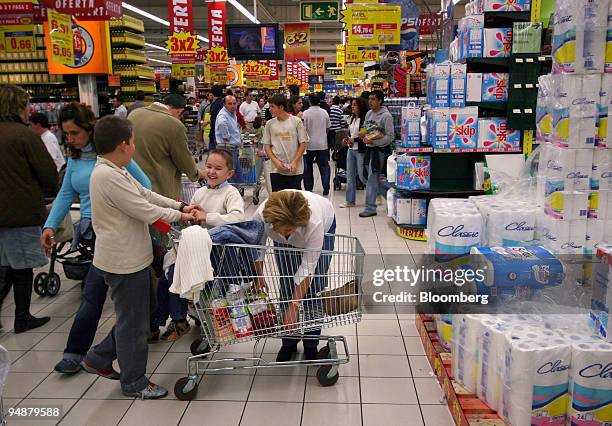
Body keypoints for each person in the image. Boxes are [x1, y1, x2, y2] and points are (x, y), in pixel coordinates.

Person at [82, 115, 200, 399]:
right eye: (133, 142)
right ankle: (134, 381)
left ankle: (98, 357)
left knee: (140, 315)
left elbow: (146, 194)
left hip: (132, 257)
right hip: (123, 262)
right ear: (123, 145)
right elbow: (146, 211)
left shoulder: (115, 169)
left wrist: (179, 203)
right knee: (134, 325)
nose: (135, 147)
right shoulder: (107, 176)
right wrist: (181, 216)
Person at [43, 102, 152, 374]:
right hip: (94, 235)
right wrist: (50, 225)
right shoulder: (76, 159)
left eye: (75, 133)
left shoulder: (113, 156)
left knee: (133, 300)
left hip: (121, 233)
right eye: (66, 134)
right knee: (94, 296)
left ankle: (101, 353)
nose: (70, 139)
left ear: (89, 130)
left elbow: (145, 188)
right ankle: (78, 353)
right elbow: (66, 194)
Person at [154, 149, 244, 341]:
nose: (212, 171)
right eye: (209, 166)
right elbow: (193, 218)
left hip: (217, 253)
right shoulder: (200, 192)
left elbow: (237, 218)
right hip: (194, 248)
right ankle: (162, 321)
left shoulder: (231, 193)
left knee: (179, 273)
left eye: (218, 168)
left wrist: (207, 216)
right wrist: (192, 218)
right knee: (168, 275)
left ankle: (179, 320)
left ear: (230, 174)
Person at [0, 85, 58, 333]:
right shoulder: (24, 136)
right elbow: (48, 174)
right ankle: (22, 318)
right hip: (19, 211)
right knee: (21, 267)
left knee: (5, 265)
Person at [253, 190, 336, 362]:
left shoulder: (314, 222)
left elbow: (308, 268)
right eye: (282, 231)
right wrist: (259, 276)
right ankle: (289, 342)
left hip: (324, 225)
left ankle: (311, 344)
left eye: (290, 231)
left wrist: (294, 307)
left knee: (315, 288)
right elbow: (257, 248)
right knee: (287, 285)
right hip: (284, 226)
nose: (286, 235)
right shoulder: (261, 216)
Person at [129, 93, 201, 200]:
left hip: (133, 186)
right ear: (180, 111)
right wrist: (197, 174)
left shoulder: (134, 114)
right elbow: (184, 160)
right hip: (159, 191)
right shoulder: (174, 125)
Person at [263, 94, 309, 192]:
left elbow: (303, 144)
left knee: (294, 199)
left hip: (294, 169)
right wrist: (276, 162)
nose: (269, 109)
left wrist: (295, 162)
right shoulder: (269, 124)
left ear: (281, 107)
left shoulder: (296, 122)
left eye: (272, 107)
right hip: (276, 169)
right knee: (279, 199)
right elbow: (267, 146)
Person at [359, 90, 394, 218]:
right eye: (369, 99)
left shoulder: (386, 116)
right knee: (372, 179)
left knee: (372, 179)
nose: (370, 101)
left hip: (379, 152)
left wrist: (375, 141)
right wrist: (362, 134)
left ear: (380, 100)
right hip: (369, 150)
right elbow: (365, 128)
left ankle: (370, 207)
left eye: (373, 99)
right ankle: (394, 200)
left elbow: (390, 137)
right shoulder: (369, 113)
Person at [339, 97, 369, 208]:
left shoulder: (364, 119)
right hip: (351, 150)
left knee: (362, 176)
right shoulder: (352, 118)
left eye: (355, 105)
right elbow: (352, 133)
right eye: (352, 104)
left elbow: (363, 136)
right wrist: (347, 139)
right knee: (350, 176)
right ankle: (350, 201)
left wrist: (354, 140)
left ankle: (376, 193)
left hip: (360, 150)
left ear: (360, 106)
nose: (352, 106)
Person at [302, 93, 331, 195]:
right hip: (322, 144)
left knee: (308, 167)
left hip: (309, 145)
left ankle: (309, 188)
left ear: (309, 101)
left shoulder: (305, 113)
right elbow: (328, 128)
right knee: (324, 166)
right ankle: (326, 187)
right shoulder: (324, 113)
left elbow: (303, 130)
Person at [208, 85, 225, 151]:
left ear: (212, 93)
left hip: (216, 132)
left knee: (213, 152)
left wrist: (209, 122)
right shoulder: (221, 102)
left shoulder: (217, 104)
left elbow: (218, 120)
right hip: (218, 132)